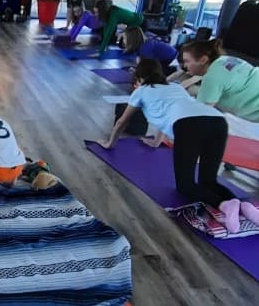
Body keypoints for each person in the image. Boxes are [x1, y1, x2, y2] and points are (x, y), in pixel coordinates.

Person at [97, 59, 255, 232]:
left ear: (139, 78)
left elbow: (122, 122)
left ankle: (224, 205)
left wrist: (109, 144)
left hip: (188, 125)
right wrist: (156, 142)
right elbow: (173, 110)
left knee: (185, 186)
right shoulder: (175, 87)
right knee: (208, 180)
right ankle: (243, 206)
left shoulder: (140, 91)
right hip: (217, 121)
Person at [181, 39, 259, 122]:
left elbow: (200, 113)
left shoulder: (212, 77)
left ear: (203, 60)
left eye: (187, 61)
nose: (185, 66)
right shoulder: (225, 59)